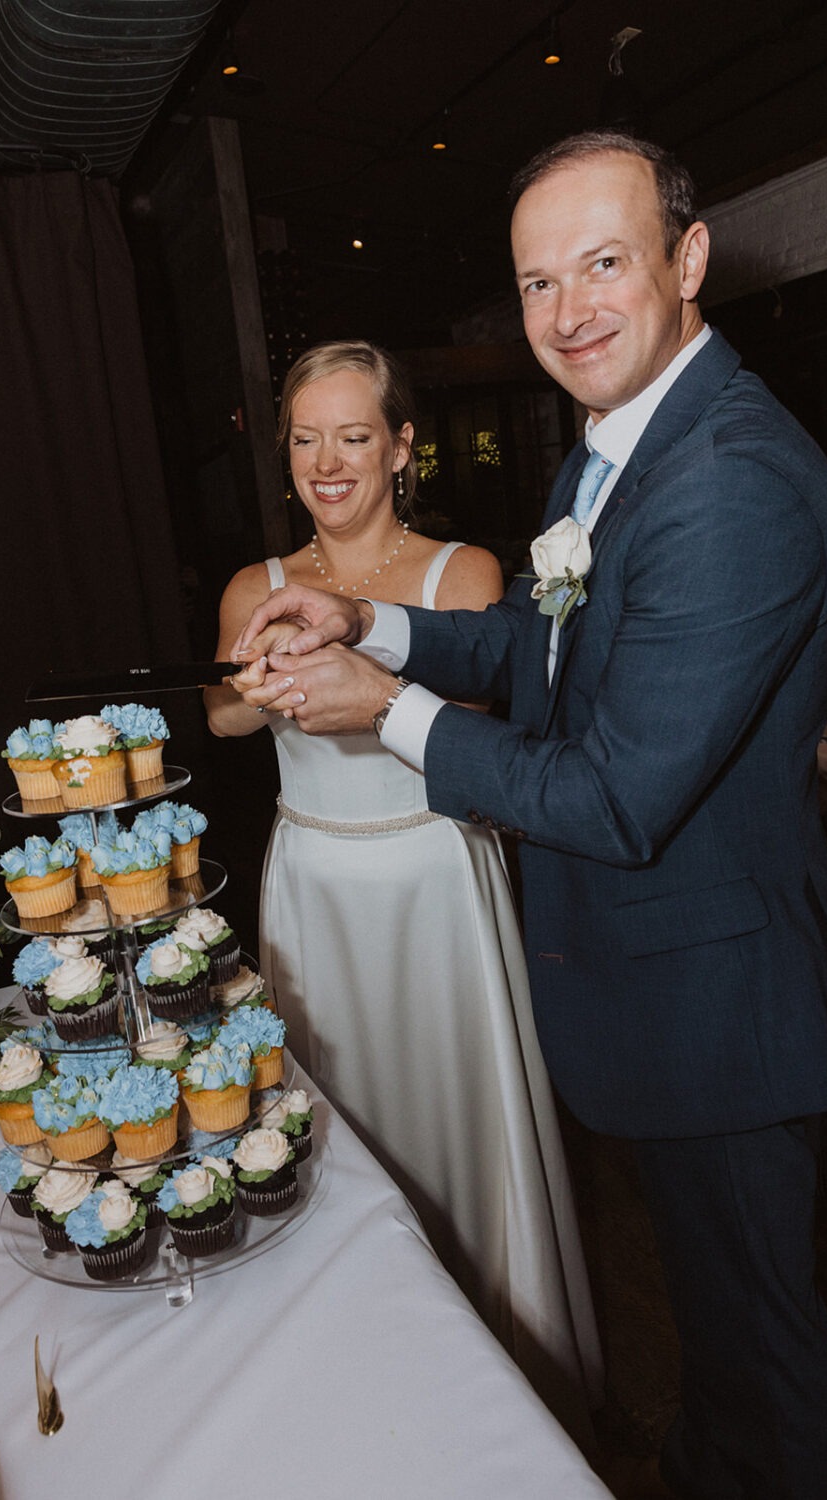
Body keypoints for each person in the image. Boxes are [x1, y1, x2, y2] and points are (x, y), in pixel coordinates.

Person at [230, 136, 827, 1500]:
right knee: (721, 1342)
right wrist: (375, 621)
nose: (567, 309)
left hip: (721, 1010)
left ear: (688, 261)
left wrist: (377, 708)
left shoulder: (730, 479)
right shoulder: (616, 453)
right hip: (660, 997)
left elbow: (613, 796)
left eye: (603, 263)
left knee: (766, 1357)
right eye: (536, 282)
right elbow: (540, 649)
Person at [205, 340, 603, 1434]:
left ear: (400, 447)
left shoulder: (462, 573)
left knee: (452, 1123)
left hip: (433, 879)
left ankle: (496, 1384)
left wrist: (370, 685)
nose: (326, 461)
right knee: (334, 1135)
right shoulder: (258, 584)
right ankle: (356, 1390)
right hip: (312, 890)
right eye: (304, 438)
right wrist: (261, 686)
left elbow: (489, 735)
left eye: (352, 435)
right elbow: (219, 715)